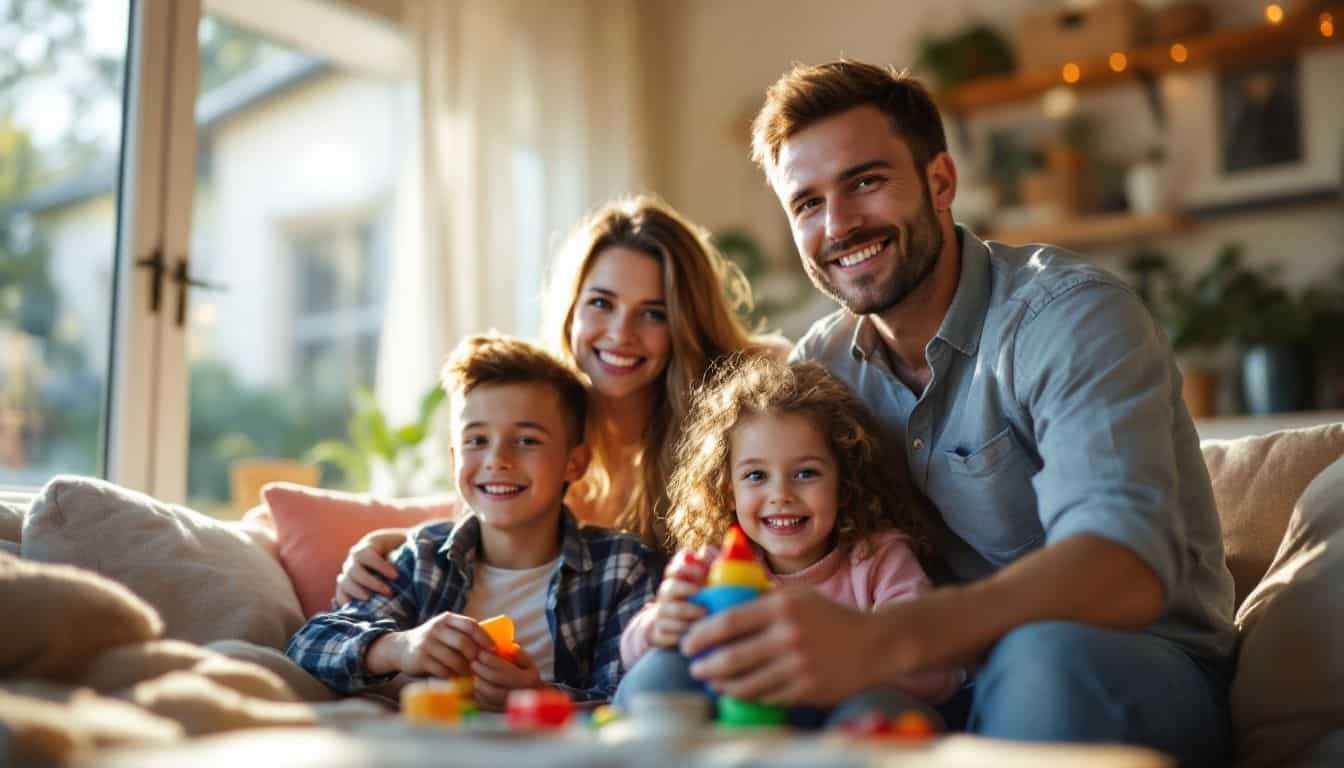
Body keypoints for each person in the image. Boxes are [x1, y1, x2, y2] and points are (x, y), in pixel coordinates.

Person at [677, 60, 1235, 765]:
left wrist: (886, 638)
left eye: (865, 183)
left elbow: (1123, 571)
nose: (839, 225)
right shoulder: (825, 365)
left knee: (1041, 658)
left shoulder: (1067, 319)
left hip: (1129, 665)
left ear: (940, 182)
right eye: (807, 204)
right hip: (937, 680)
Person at [334, 196, 785, 604]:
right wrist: (394, 543)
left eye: (653, 313)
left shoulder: (733, 422)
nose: (620, 335)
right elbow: (492, 510)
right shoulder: (539, 417)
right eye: (601, 304)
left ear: (685, 325)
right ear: (570, 311)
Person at [286, 334, 658, 707]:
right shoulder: (424, 558)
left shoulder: (623, 567)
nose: (497, 459)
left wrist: (538, 697)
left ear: (574, 463)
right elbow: (308, 644)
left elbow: (631, 697)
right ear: (454, 461)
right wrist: (399, 647)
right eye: (477, 440)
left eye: (527, 440)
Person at [613, 356, 959, 725]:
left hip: (836, 730)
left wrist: (849, 654)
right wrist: (661, 625)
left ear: (844, 484)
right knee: (659, 670)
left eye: (806, 473)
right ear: (727, 490)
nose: (781, 494)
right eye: (756, 475)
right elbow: (632, 652)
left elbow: (938, 673)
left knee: (880, 707)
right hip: (736, 727)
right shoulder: (716, 562)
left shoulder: (877, 558)